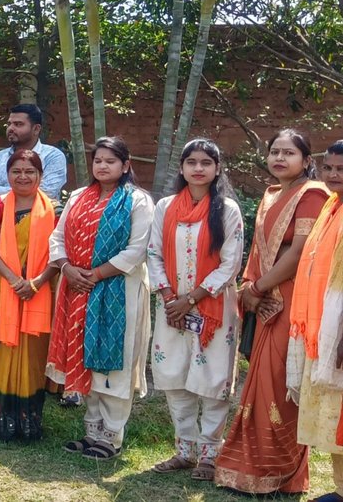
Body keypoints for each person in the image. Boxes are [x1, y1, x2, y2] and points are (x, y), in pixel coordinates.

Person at [215, 129, 329, 494]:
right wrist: (249, 288)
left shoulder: (312, 194)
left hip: (294, 300)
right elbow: (258, 251)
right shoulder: (271, 194)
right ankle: (249, 466)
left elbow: (299, 253)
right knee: (260, 380)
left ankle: (282, 472)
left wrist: (258, 288)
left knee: (282, 382)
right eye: (275, 152)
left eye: (289, 153)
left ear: (306, 161)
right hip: (264, 300)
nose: (280, 158)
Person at [46, 137, 155, 461]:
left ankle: (112, 436)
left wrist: (95, 274)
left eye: (110, 160)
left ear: (126, 165)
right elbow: (57, 237)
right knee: (86, 359)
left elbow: (137, 250)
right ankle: (91, 432)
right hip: (77, 290)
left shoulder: (138, 201)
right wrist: (67, 268)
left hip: (118, 291)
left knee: (114, 363)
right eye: (98, 161)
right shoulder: (78, 197)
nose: (103, 166)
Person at [145, 139, 244, 478]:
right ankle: (184, 451)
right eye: (192, 162)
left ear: (217, 169)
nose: (198, 168)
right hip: (171, 307)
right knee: (175, 376)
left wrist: (190, 299)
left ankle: (210, 456)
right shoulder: (166, 206)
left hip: (213, 308)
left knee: (213, 380)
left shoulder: (227, 209)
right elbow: (153, 253)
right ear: (183, 167)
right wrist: (169, 297)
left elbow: (231, 263)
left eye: (206, 162)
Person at [0, 149, 60, 442]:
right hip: (3, 286)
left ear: (40, 175)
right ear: (8, 174)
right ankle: (2, 416)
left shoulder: (53, 210)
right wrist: (13, 279)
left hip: (40, 289)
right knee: (3, 343)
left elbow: (60, 251)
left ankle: (29, 418)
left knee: (34, 350)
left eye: (29, 171)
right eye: (16, 171)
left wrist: (36, 282)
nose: (23, 177)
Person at [296, 141, 343, 502]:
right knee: (331, 414)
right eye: (327, 168)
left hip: (340, 330)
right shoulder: (331, 206)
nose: (332, 175)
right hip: (325, 327)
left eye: (341, 169)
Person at [0, 104, 68, 199]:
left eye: (18, 124)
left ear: (36, 129)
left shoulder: (52, 156)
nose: (11, 128)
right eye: (9, 124)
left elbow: (46, 193)